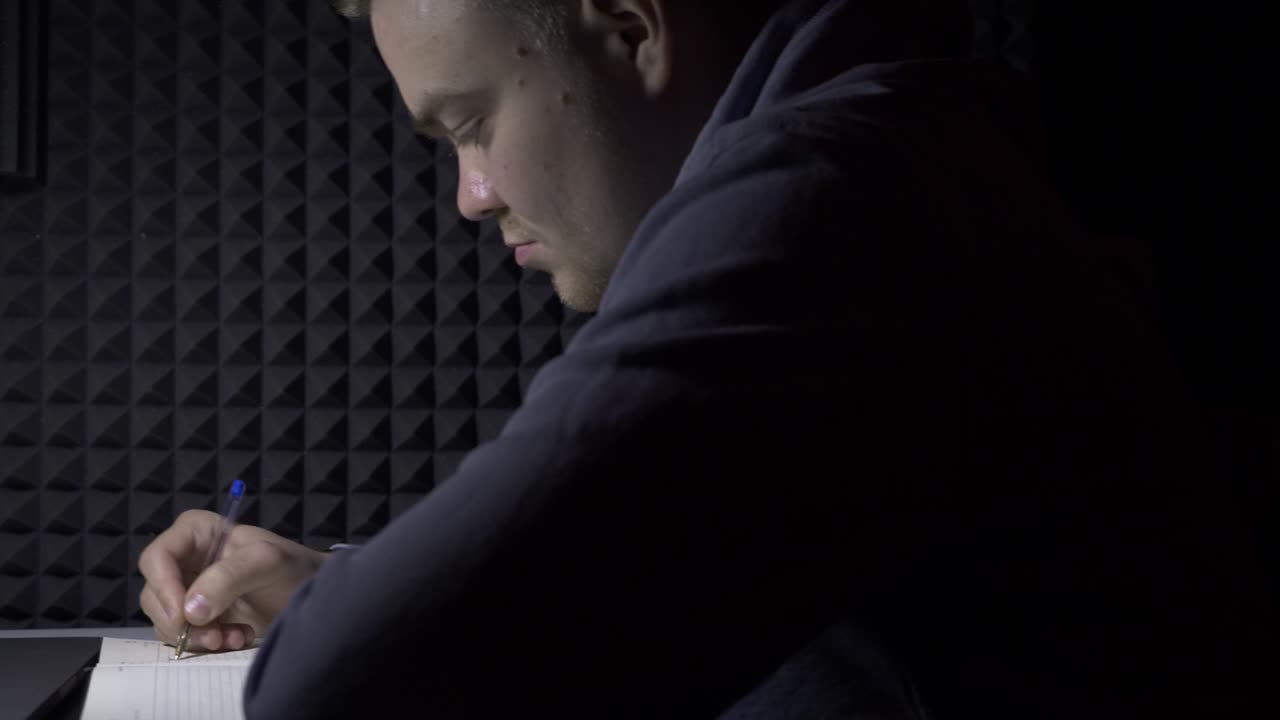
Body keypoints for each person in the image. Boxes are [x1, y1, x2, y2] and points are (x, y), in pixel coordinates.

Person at [136, 0, 1275, 717]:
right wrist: (329, 584)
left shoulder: (827, 203)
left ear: (631, 28)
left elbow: (343, 690)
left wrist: (347, 624)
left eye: (471, 124)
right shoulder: (905, 154)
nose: (471, 198)